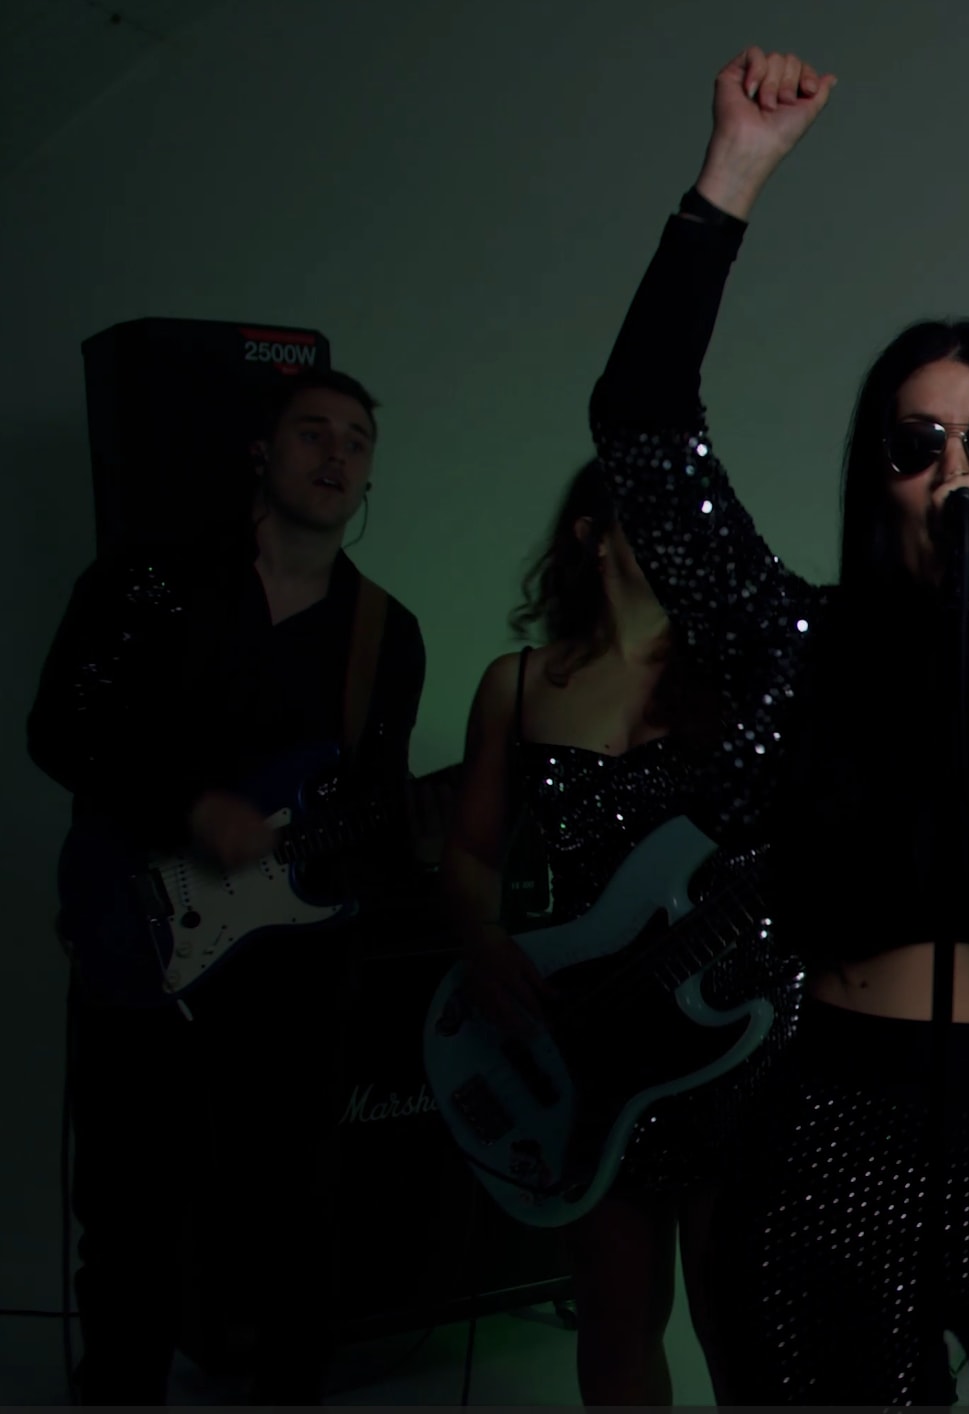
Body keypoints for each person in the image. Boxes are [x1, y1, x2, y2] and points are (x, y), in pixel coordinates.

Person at [583, 49, 969, 1404]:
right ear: (879, 479)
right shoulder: (807, 642)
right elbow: (641, 435)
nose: (952, 471)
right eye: (917, 444)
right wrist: (731, 177)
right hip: (840, 1130)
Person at [32, 368, 427, 1403]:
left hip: (294, 974)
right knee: (129, 1216)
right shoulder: (148, 582)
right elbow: (60, 727)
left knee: (295, 1215)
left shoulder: (384, 632)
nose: (336, 453)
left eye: (356, 439)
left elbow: (375, 811)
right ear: (261, 450)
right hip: (143, 938)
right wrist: (191, 808)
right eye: (312, 432)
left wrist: (397, 848)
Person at [437, 460, 801, 1403]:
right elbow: (471, 851)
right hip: (590, 1037)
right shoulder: (516, 685)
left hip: (737, 1032)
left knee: (741, 1321)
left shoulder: (743, 679)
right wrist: (485, 944)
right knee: (615, 1318)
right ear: (591, 535)